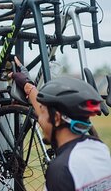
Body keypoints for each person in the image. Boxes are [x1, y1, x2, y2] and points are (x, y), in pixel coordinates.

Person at [10, 56, 111, 191]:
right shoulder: (99, 149)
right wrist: (27, 85)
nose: (39, 118)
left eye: (43, 113)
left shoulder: (61, 170)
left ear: (57, 118)